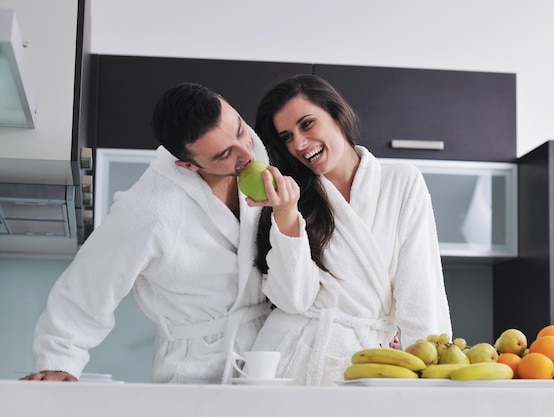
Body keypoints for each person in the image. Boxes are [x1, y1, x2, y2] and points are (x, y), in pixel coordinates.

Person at [20, 82, 271, 384]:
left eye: (240, 129)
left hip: (267, 357)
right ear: (187, 165)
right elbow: (91, 281)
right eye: (225, 154)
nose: (247, 152)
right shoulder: (150, 209)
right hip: (196, 369)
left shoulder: (261, 157)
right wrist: (60, 359)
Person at [246, 74, 452, 385]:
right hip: (287, 360)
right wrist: (285, 212)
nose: (299, 144)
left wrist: (429, 372)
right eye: (287, 136)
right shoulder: (289, 196)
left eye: (307, 124)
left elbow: (419, 291)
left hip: (366, 363)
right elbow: (293, 300)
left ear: (337, 115)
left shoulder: (401, 182)